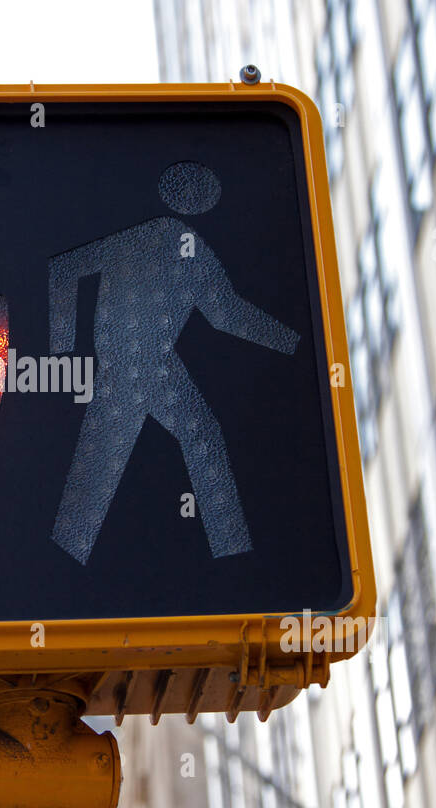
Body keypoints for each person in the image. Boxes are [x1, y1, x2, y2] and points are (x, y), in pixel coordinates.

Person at [48, 161, 299, 563]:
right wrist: (60, 344)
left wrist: (290, 342)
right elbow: (64, 267)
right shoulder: (162, 238)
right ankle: (235, 555)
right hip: (137, 362)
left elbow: (224, 313)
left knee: (111, 460)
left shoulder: (178, 242)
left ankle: (233, 554)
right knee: (189, 439)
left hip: (144, 362)